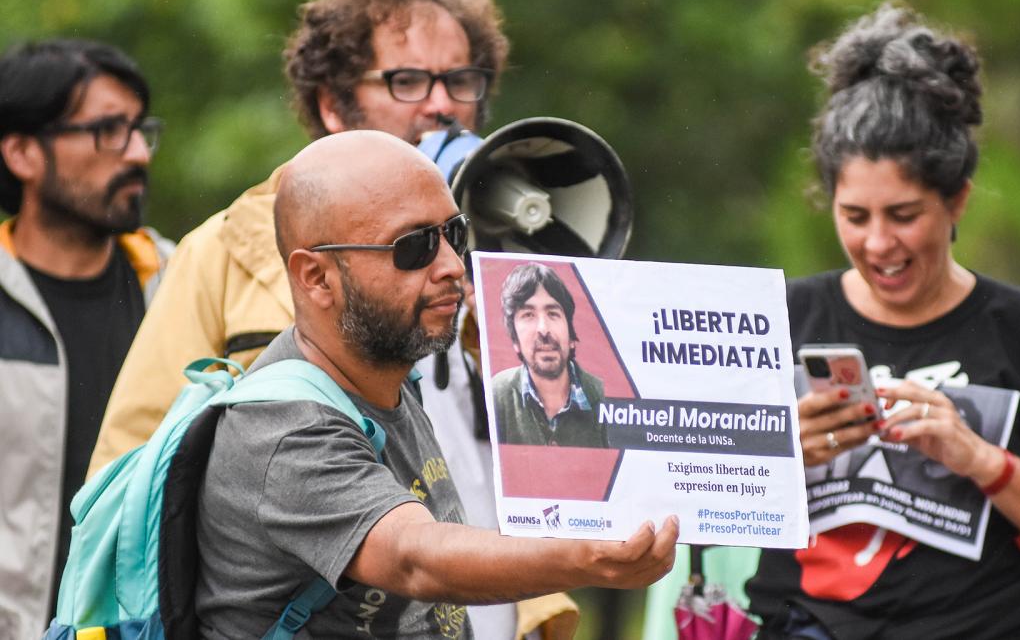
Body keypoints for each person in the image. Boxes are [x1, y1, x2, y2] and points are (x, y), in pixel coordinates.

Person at [84, 0, 558, 636]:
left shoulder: (506, 250)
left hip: (501, 606)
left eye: (461, 80)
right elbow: (141, 468)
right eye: (408, 80)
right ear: (333, 105)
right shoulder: (225, 249)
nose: (442, 105)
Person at [195, 129, 678, 638]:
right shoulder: (284, 430)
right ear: (317, 277)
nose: (452, 266)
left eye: (455, 233)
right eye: (415, 247)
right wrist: (586, 557)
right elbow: (413, 560)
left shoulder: (389, 373)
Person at [743, 2, 1020, 639]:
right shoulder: (780, 320)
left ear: (958, 200)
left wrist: (978, 457)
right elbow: (687, 500)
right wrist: (778, 454)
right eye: (855, 217)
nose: (878, 244)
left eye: (903, 214)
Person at [0, 39, 173, 638]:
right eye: (105, 131)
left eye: (138, 130)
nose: (135, 154)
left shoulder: (180, 288)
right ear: (22, 151)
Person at [491, 262, 608, 447]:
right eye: (528, 315)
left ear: (571, 335)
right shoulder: (496, 394)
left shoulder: (605, 397)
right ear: (515, 341)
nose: (543, 329)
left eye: (553, 314)